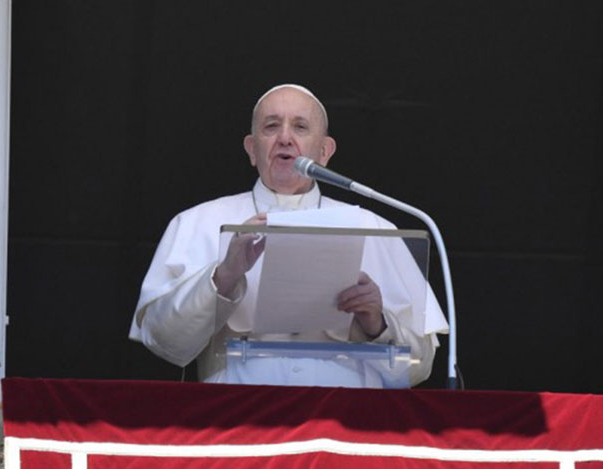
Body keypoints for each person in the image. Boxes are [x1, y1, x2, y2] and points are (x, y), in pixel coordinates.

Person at [129, 84, 448, 387]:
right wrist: (223, 276)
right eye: (271, 126)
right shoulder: (196, 222)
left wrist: (377, 323)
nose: (284, 138)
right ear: (252, 150)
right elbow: (165, 344)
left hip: (343, 419)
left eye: (300, 126)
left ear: (324, 151)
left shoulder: (376, 228)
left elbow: (421, 367)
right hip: (238, 420)